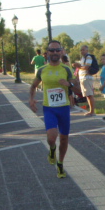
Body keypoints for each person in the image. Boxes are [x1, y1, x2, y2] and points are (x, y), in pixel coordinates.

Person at [29, 40, 73, 179]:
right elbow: (33, 85)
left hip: (64, 108)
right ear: (47, 52)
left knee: (64, 139)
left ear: (61, 52)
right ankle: (52, 149)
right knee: (51, 137)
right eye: (52, 50)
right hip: (49, 108)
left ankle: (60, 164)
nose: (54, 52)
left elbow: (77, 86)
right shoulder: (42, 69)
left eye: (57, 50)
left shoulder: (66, 69)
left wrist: (69, 84)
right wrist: (31, 99)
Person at [79, 45, 96, 116]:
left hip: (87, 77)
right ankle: (91, 111)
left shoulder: (88, 57)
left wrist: (78, 66)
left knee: (89, 94)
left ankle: (92, 111)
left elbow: (86, 67)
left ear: (87, 50)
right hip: (83, 78)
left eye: (83, 50)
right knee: (87, 95)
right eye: (81, 50)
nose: (82, 51)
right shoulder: (83, 58)